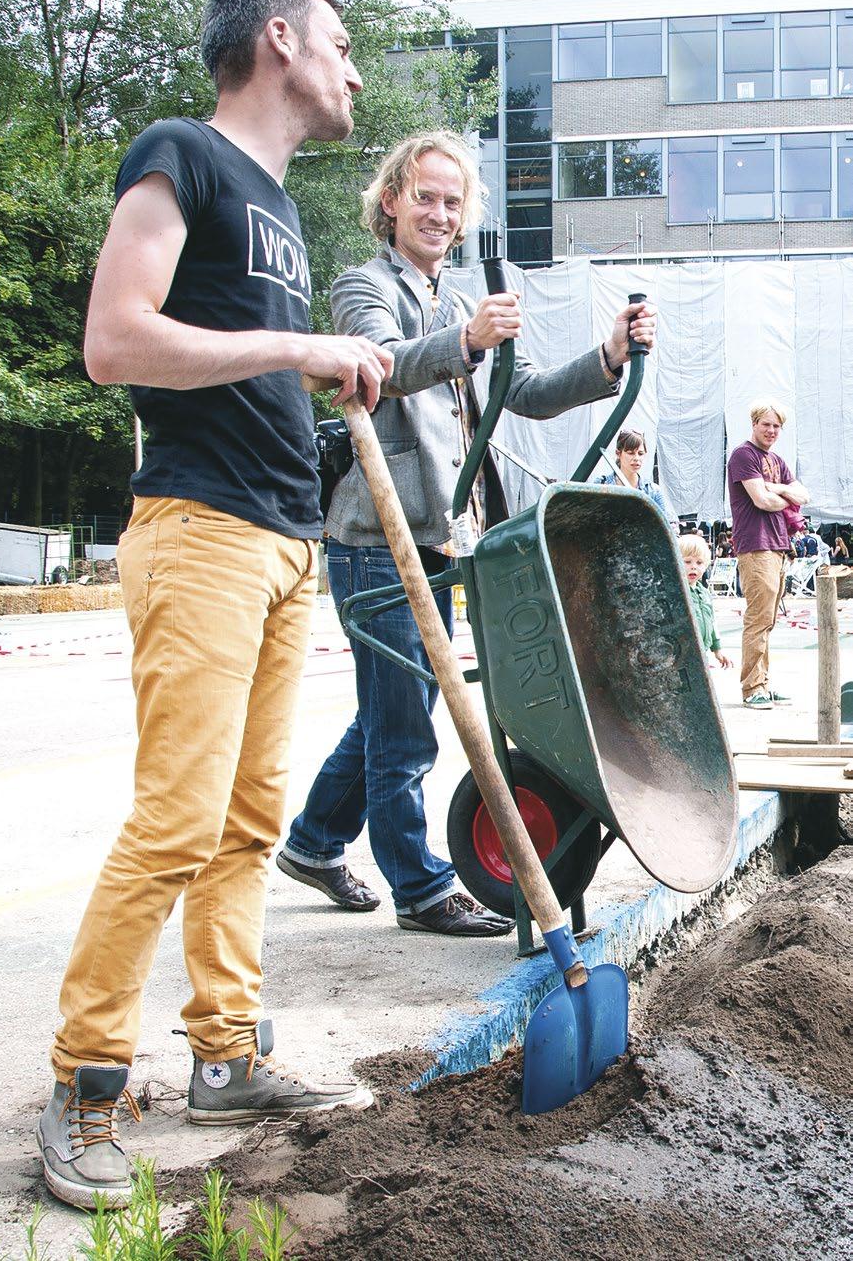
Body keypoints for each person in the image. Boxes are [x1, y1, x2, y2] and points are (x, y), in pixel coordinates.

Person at [36, 0, 395, 1212]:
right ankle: (85, 1080)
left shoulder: (286, 208)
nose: (354, 67)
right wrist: (298, 350)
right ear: (278, 38)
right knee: (176, 823)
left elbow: (240, 365)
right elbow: (115, 340)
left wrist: (324, 396)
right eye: (339, 40)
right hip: (197, 536)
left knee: (247, 825)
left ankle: (226, 1052)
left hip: (284, 544)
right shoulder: (177, 155)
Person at [277, 130, 656, 936]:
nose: (439, 214)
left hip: (443, 533)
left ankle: (313, 839)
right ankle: (417, 886)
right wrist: (465, 341)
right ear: (390, 202)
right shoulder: (361, 286)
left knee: (397, 701)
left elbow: (526, 391)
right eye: (424, 197)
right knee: (405, 714)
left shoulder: (453, 301)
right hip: (374, 534)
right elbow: (378, 363)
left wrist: (607, 354)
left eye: (453, 202)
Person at [727, 401, 809, 710]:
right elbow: (761, 501)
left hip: (778, 546)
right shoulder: (743, 455)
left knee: (768, 620)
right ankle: (752, 688)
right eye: (766, 424)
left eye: (776, 426)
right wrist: (784, 494)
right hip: (756, 544)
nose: (771, 430)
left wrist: (779, 491)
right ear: (754, 423)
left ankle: (763, 681)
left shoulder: (776, 459)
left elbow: (803, 495)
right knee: (758, 618)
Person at [596, 428, 677, 529]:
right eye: (630, 453)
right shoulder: (601, 484)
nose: (636, 458)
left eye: (640, 453)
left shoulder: (653, 491)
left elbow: (662, 529)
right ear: (618, 453)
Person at [680, 534, 732, 670]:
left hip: (702, 652)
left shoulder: (705, 593)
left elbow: (712, 622)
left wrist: (717, 649)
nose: (693, 567)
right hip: (682, 653)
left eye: (699, 563)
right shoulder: (677, 591)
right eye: (687, 562)